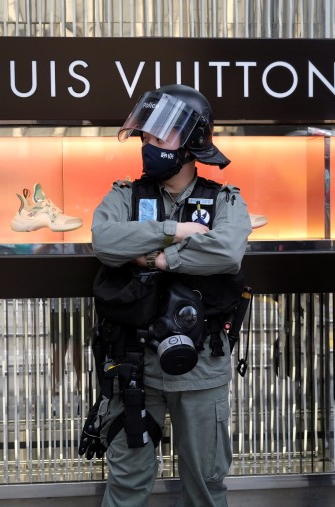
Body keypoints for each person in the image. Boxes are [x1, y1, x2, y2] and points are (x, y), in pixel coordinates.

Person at [80, 84, 252, 507]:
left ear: (192, 140)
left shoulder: (225, 200)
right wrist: (172, 231)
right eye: (146, 137)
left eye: (159, 137)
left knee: (205, 486)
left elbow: (227, 252)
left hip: (201, 370)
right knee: (126, 484)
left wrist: (158, 260)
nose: (148, 146)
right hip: (134, 366)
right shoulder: (125, 196)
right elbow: (105, 240)